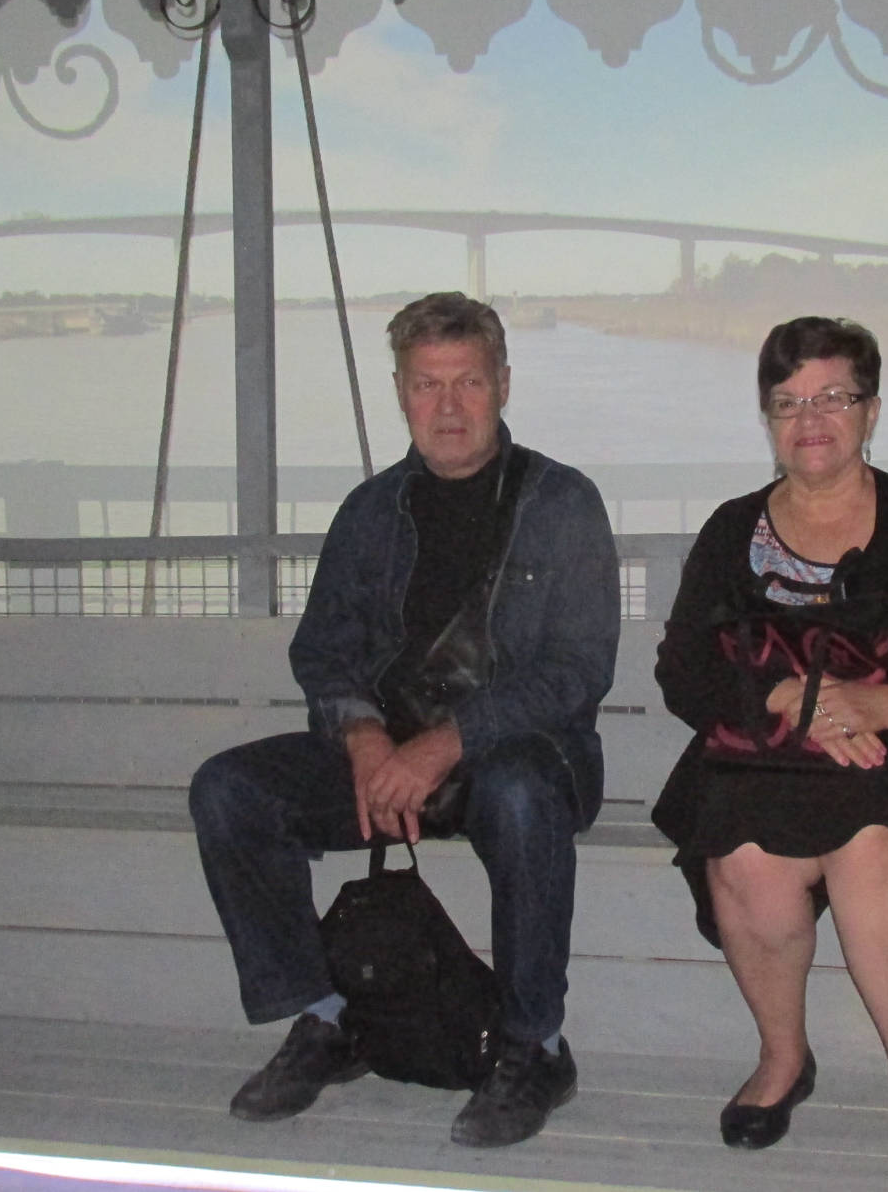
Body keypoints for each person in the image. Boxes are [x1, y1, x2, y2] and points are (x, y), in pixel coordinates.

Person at [188, 292, 619, 1148]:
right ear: (400, 392)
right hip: (390, 755)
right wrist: (362, 736)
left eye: (469, 381)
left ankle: (534, 1045)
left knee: (522, 793)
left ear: (503, 383)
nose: (448, 406)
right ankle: (327, 1018)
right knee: (229, 791)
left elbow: (576, 672)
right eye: (428, 384)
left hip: (521, 755)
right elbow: (324, 651)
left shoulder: (564, 504)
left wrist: (445, 743)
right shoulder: (369, 513)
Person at [652, 317, 888, 1192]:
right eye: (788, 402)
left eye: (832, 397)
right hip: (768, 753)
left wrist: (876, 704)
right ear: (768, 418)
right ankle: (784, 1057)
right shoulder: (731, 528)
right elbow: (682, 669)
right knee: (743, 855)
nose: (809, 418)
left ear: (871, 410)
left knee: (870, 846)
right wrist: (793, 697)